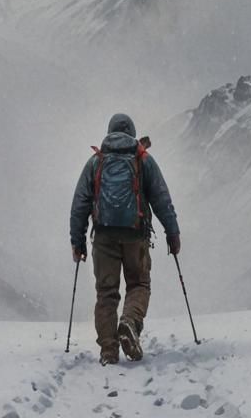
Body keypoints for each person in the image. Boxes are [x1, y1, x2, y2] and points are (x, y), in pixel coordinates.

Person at [70, 113, 180, 365]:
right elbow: (162, 199)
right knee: (139, 284)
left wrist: (77, 242)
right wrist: (172, 233)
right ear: (132, 132)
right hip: (135, 234)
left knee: (106, 293)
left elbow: (80, 204)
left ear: (109, 133)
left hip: (104, 235)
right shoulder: (143, 160)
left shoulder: (96, 162)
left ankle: (109, 350)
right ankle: (129, 322)